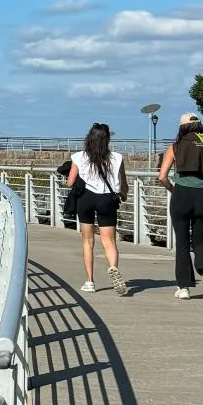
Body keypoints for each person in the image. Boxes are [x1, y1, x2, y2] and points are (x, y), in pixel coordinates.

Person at [158, 112, 203, 299]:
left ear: (182, 127)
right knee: (199, 240)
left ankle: (184, 288)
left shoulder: (176, 146)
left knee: (182, 243)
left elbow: (162, 177)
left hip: (181, 195)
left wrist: (173, 189)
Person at [66, 123, 127, 295]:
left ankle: (90, 281)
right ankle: (113, 267)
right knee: (109, 241)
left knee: (88, 242)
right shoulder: (117, 157)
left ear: (89, 138)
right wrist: (123, 195)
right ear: (107, 139)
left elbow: (70, 182)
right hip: (107, 199)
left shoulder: (79, 157)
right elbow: (123, 184)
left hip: (86, 198)